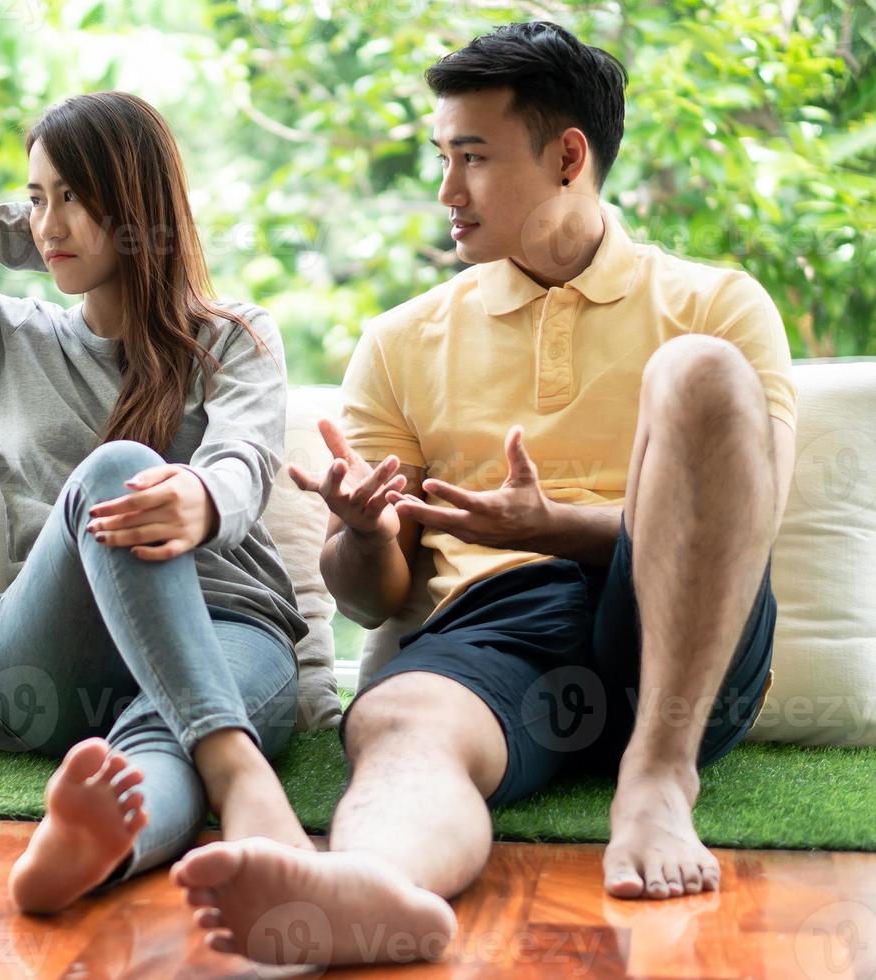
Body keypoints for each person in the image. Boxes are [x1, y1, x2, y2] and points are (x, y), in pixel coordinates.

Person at [171, 21, 795, 966]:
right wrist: (364, 530)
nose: (444, 191)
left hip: (684, 627)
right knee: (394, 718)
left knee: (700, 372)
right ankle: (367, 885)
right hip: (498, 629)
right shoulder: (399, 339)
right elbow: (369, 598)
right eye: (441, 156)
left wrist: (563, 528)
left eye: (471, 157)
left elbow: (754, 520)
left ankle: (658, 782)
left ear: (566, 158)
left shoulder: (716, 303)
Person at [0, 91, 313, 914]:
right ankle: (244, 783)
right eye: (35, 197)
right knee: (116, 467)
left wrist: (202, 497)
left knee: (161, 743)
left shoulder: (229, 336)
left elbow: (243, 456)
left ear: (137, 205)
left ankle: (103, 845)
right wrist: (13, 235)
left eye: (74, 196)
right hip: (50, 657)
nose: (49, 223)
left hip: (225, 631)